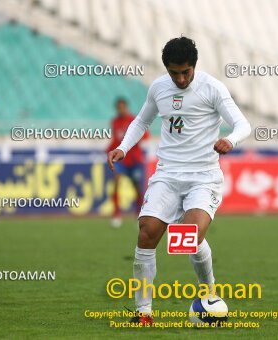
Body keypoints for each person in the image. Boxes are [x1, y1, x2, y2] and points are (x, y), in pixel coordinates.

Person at [107, 36, 251, 325]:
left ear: (194, 66)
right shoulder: (159, 88)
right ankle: (143, 313)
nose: (181, 78)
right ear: (167, 69)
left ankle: (208, 292)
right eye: (175, 73)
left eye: (185, 72)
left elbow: (242, 124)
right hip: (168, 173)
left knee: (189, 236)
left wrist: (230, 140)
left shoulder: (212, 88)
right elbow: (142, 121)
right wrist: (123, 146)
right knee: (146, 231)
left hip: (203, 177)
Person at [106, 98, 149, 227]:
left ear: (126, 107)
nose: (121, 110)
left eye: (122, 107)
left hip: (134, 159)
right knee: (116, 181)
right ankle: (116, 214)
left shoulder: (134, 120)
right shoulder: (115, 122)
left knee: (137, 187)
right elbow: (115, 140)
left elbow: (145, 135)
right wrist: (109, 150)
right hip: (121, 159)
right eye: (118, 108)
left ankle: (139, 213)